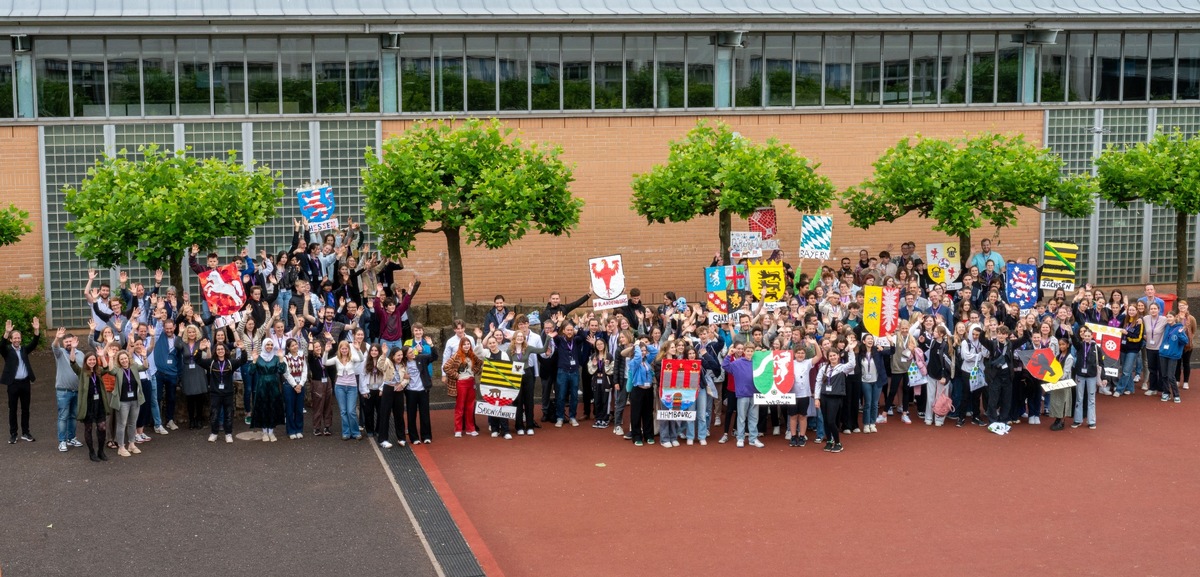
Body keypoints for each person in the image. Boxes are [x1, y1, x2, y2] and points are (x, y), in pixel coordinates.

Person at [196, 340, 248, 443]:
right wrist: (200, 350)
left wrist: (243, 349)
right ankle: (214, 433)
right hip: (215, 394)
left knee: (228, 414)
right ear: (215, 351)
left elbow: (243, 361)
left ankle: (228, 434)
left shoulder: (230, 362)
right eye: (218, 349)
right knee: (214, 414)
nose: (220, 351)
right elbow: (198, 360)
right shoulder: (211, 362)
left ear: (225, 350)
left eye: (222, 349)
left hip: (228, 393)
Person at [3, 317, 40, 444]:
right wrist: (7, 332)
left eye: (19, 338)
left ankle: (26, 432)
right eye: (15, 338)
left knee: (26, 409)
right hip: (13, 384)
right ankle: (13, 434)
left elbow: (34, 343)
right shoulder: (7, 351)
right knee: (12, 409)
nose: (17, 340)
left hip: (25, 383)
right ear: (11, 340)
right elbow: (1, 345)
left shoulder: (24, 349)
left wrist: (36, 330)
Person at [442, 320, 481, 437]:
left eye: (468, 344)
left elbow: (478, 362)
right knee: (460, 406)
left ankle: (470, 428)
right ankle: (458, 429)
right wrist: (456, 376)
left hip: (471, 382)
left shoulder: (472, 354)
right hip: (461, 383)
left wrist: (474, 372)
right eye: (464, 344)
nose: (467, 346)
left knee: (470, 406)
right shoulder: (456, 354)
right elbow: (446, 365)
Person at [105, 350, 145, 457]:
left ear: (128, 358)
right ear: (119, 360)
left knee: (132, 423)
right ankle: (121, 447)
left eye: (125, 358)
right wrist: (111, 358)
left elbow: (145, 367)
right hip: (123, 402)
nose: (124, 360)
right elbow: (110, 371)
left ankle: (131, 444)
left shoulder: (134, 367)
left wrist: (144, 357)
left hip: (135, 400)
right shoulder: (118, 370)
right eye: (121, 359)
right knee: (122, 424)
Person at [51, 327, 85, 452]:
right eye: (66, 342)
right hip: (63, 391)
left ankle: (71, 438)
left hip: (77, 390)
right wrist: (57, 338)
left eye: (70, 341)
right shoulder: (59, 353)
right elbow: (54, 346)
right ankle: (62, 441)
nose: (68, 344)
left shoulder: (80, 354)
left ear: (75, 341)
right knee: (63, 417)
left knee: (73, 416)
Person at [814, 348, 854, 453]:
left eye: (834, 355)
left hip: (835, 397)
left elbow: (852, 364)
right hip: (824, 396)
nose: (832, 357)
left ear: (838, 356)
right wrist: (817, 398)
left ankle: (838, 442)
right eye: (830, 356)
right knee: (826, 421)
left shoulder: (843, 368)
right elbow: (818, 383)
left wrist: (851, 350)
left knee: (831, 420)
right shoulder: (823, 368)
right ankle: (829, 441)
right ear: (828, 357)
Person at [325, 340, 365, 440]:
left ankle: (355, 432)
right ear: (339, 349)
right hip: (340, 387)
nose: (344, 350)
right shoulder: (336, 359)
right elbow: (324, 362)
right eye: (342, 348)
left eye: (346, 348)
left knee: (351, 411)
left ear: (348, 349)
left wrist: (358, 349)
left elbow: (361, 359)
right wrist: (326, 352)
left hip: (352, 387)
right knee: (343, 411)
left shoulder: (352, 358)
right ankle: (346, 432)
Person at [249, 339, 286, 442]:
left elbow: (282, 370)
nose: (269, 346)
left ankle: (271, 432)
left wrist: (281, 358)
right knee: (263, 407)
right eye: (267, 345)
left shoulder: (275, 358)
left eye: (271, 345)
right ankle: (264, 432)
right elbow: (251, 372)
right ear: (264, 345)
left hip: (274, 385)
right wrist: (254, 361)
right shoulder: (259, 357)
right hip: (262, 385)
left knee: (272, 407)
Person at [75, 353, 110, 461]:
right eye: (90, 360)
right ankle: (91, 452)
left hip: (99, 403)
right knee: (88, 428)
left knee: (102, 427)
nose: (92, 362)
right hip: (88, 404)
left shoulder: (98, 371)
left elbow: (106, 368)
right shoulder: (82, 372)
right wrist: (72, 349)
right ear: (86, 361)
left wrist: (102, 356)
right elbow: (72, 364)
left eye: (94, 360)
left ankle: (101, 451)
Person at [624, 337, 658, 446]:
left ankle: (649, 435)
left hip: (648, 390)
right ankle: (637, 436)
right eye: (641, 350)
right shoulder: (633, 362)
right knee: (636, 413)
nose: (643, 352)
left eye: (644, 351)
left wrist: (645, 345)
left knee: (648, 413)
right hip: (638, 390)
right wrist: (637, 346)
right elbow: (638, 357)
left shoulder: (646, 360)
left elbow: (655, 351)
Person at [404, 338, 438, 444]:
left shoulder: (421, 358)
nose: (413, 353)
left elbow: (434, 357)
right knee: (411, 414)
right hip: (411, 392)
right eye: (410, 353)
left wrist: (431, 345)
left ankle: (426, 436)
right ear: (406, 355)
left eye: (412, 351)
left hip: (423, 391)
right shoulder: (403, 364)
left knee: (424, 414)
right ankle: (414, 438)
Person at [376, 346, 407, 448]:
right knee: (385, 414)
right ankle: (383, 439)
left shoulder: (403, 364)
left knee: (399, 414)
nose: (400, 357)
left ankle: (401, 438)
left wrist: (402, 385)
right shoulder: (388, 362)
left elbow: (407, 377)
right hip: (388, 389)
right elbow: (380, 366)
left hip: (399, 389)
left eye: (401, 355)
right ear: (393, 356)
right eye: (398, 355)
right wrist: (383, 354)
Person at [1072, 326, 1101, 430]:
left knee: (1091, 398)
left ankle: (1091, 421)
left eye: (1089, 336)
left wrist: (1104, 377)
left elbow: (1101, 364)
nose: (1087, 337)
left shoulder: (1096, 348)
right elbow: (1074, 341)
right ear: (1083, 337)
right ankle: (1078, 420)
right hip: (1080, 375)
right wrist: (1071, 333)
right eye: (1085, 336)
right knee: (1079, 398)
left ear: (1092, 336)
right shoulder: (1080, 346)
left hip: (1091, 376)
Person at [1159, 310, 1188, 404]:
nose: (1168, 319)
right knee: (1164, 375)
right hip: (1163, 353)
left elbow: (1185, 341)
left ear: (1175, 317)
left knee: (1171, 376)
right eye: (1167, 317)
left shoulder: (1179, 328)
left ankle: (1176, 394)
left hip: (1173, 355)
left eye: (1170, 317)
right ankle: (1166, 392)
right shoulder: (1166, 326)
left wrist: (1180, 334)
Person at [307, 340, 334, 436]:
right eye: (316, 347)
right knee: (318, 405)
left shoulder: (324, 356)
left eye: (319, 347)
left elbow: (332, 352)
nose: (318, 348)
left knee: (328, 405)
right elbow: (309, 353)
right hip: (317, 382)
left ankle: (327, 427)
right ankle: (317, 428)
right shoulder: (312, 359)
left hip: (327, 381)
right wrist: (310, 342)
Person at [281, 338, 307, 440]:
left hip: (300, 384)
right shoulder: (285, 358)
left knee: (299, 408)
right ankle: (291, 430)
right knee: (290, 409)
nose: (295, 347)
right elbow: (286, 373)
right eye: (292, 345)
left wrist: (300, 384)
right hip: (289, 385)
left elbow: (305, 371)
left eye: (296, 345)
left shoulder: (302, 356)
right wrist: (295, 385)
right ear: (288, 348)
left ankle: (299, 429)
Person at [1047, 337, 1075, 431]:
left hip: (1064, 382)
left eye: (1063, 344)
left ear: (1067, 345)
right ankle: (1057, 418)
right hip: (1056, 381)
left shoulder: (1069, 357)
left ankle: (1062, 421)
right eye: (1060, 344)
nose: (1061, 346)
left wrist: (1057, 377)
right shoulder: (1058, 356)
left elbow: (1066, 372)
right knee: (1056, 401)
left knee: (1063, 401)